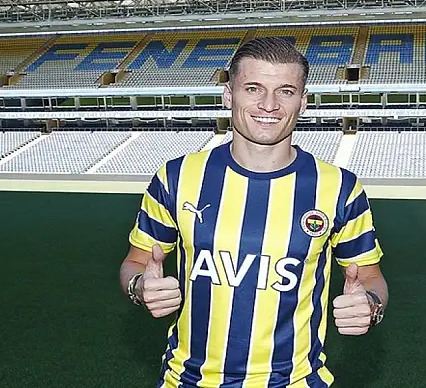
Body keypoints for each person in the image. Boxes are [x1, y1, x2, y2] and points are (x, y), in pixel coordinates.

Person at [119, 37, 388, 388]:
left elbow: (370, 278)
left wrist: (370, 305)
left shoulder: (339, 187)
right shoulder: (176, 177)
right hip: (187, 380)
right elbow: (136, 262)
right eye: (253, 88)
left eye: (286, 91)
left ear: (303, 102)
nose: (269, 105)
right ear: (228, 95)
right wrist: (139, 286)